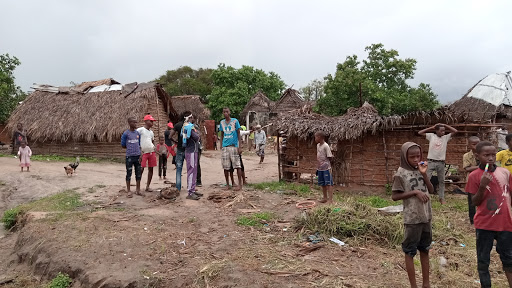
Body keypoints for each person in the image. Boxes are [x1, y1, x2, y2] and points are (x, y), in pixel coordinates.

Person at [466, 141, 512, 288]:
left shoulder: (505, 173)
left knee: (509, 260)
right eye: (486, 155)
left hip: (505, 223)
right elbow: (474, 202)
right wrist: (483, 186)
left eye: (493, 154)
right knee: (483, 262)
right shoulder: (474, 176)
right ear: (477, 156)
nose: (491, 158)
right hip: (485, 225)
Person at [391, 142, 433, 288]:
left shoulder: (422, 169)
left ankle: (426, 284)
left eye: (418, 156)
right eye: (412, 157)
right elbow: (395, 196)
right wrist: (415, 192)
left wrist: (424, 174)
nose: (416, 159)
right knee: (410, 251)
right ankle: (413, 285)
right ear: (404, 157)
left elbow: (431, 190)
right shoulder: (400, 173)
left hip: (426, 216)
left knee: (425, 249)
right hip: (412, 218)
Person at [418, 123, 458, 204]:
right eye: (441, 131)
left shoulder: (445, 137)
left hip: (441, 162)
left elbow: (455, 131)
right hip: (431, 161)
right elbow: (420, 133)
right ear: (436, 131)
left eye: (444, 131)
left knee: (441, 181)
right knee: (426, 179)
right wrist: (431, 127)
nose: (443, 132)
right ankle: (424, 196)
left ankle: (441, 198)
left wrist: (446, 126)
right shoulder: (431, 136)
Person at [220, 107, 243, 191]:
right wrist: (221, 145)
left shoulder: (235, 121)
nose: (225, 113)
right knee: (226, 167)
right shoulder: (222, 122)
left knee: (237, 166)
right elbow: (222, 134)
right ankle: (228, 184)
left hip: (234, 146)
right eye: (224, 112)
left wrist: (240, 146)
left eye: (227, 111)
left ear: (229, 112)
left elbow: (239, 134)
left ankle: (240, 184)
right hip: (225, 147)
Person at [169, 111, 192, 192]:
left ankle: (178, 188)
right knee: (190, 169)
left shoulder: (178, 125)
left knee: (179, 169)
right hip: (188, 150)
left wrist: (176, 141)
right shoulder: (190, 126)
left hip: (179, 149)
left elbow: (170, 136)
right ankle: (190, 187)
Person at [182, 114, 202, 200]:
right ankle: (190, 192)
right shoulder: (190, 127)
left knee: (193, 171)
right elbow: (197, 137)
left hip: (191, 151)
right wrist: (198, 133)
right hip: (192, 151)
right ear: (189, 118)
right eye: (192, 117)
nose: (193, 119)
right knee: (191, 171)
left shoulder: (185, 127)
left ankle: (192, 190)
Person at [121, 117, 142, 197]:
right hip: (129, 156)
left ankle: (138, 190)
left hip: (137, 156)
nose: (136, 124)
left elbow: (139, 144)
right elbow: (123, 145)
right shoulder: (126, 134)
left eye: (136, 122)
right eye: (134, 122)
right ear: (130, 123)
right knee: (129, 173)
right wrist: (130, 149)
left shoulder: (137, 133)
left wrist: (140, 154)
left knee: (138, 173)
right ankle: (129, 190)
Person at [463, 136, 480, 224]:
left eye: (478, 144)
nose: (476, 146)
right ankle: (472, 220)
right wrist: (480, 167)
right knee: (472, 202)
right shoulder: (466, 156)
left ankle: (482, 218)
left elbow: (488, 165)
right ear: (469, 145)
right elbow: (467, 168)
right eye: (473, 144)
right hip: (471, 181)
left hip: (483, 180)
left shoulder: (483, 153)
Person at [137, 115, 157, 192]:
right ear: (145, 121)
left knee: (151, 169)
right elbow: (136, 139)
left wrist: (154, 148)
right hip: (143, 152)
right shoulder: (140, 130)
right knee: (141, 169)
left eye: (152, 121)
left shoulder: (151, 132)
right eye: (150, 121)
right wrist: (139, 150)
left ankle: (147, 186)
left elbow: (152, 141)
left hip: (151, 152)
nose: (152, 123)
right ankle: (138, 187)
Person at [315, 131, 333, 203]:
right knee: (322, 183)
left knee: (329, 183)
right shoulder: (318, 145)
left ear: (319, 137)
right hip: (320, 168)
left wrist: (326, 163)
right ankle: (325, 198)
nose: (315, 139)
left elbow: (330, 156)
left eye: (315, 137)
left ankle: (330, 200)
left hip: (326, 168)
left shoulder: (326, 146)